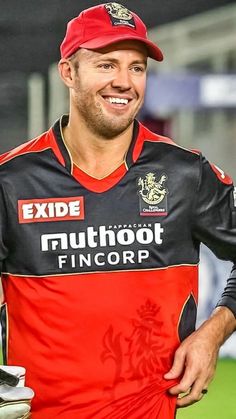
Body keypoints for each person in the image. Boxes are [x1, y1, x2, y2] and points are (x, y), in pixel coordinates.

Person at [0, 2, 236, 418]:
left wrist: (213, 333)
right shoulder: (11, 181)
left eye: (137, 68)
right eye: (107, 65)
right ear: (69, 73)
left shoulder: (185, 174)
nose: (124, 82)